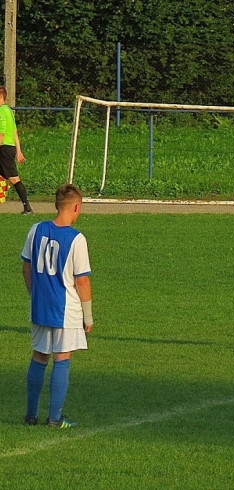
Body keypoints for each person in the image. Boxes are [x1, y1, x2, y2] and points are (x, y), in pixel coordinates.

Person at [21, 184, 93, 428]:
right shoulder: (76, 239)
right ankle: (55, 419)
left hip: (39, 307)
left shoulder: (35, 229)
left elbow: (27, 266)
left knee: (39, 356)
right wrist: (88, 315)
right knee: (62, 358)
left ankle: (31, 415)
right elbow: (81, 280)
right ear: (76, 207)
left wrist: (36, 294)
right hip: (65, 309)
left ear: (55, 205)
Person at [0, 86, 33, 214]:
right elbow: (14, 132)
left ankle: (27, 208)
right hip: (10, 147)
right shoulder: (8, 110)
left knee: (14, 179)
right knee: (6, 177)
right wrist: (18, 151)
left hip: (4, 148)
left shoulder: (2, 111)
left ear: (1, 97)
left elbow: (2, 133)